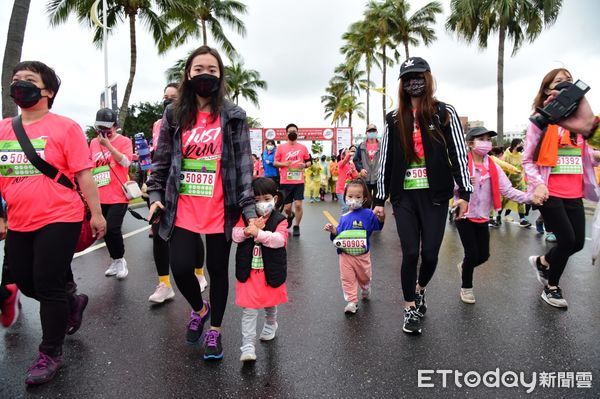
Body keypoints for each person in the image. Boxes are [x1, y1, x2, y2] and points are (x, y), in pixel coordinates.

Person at [147, 46, 256, 360]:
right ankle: (199, 308)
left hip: (221, 208)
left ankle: (216, 332)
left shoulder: (234, 116)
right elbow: (161, 161)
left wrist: (248, 213)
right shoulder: (174, 114)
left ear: (220, 74)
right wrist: (155, 197)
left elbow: (244, 168)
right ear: (188, 74)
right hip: (181, 207)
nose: (205, 74)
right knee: (181, 268)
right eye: (198, 69)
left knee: (218, 270)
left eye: (212, 69)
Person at [0, 61, 106, 384]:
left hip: (61, 216)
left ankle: (50, 352)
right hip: (19, 218)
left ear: (48, 91)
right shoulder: (4, 128)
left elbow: (84, 175)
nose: (20, 85)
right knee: (26, 280)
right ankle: (71, 302)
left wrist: (98, 213)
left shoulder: (66, 127)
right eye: (16, 80)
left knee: (46, 283)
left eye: (29, 81)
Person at [373, 57, 472, 335]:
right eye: (407, 78)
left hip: (436, 196)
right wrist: (379, 200)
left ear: (428, 78)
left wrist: (464, 193)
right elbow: (386, 160)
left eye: (418, 76)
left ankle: (420, 289)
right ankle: (409, 308)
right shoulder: (394, 118)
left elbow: (458, 153)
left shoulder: (444, 112)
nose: (413, 82)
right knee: (410, 253)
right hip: (404, 197)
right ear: (402, 84)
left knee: (429, 254)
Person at [523, 68, 600, 308]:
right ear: (547, 90)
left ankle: (542, 262)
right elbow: (527, 160)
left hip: (575, 192)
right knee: (566, 239)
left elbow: (584, 155)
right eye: (559, 81)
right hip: (549, 192)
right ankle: (551, 287)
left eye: (569, 80)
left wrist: (596, 153)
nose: (566, 84)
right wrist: (538, 185)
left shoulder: (581, 123)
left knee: (577, 243)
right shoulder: (540, 122)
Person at [456, 127, 536, 303]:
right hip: (464, 214)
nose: (486, 142)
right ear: (470, 143)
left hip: (483, 215)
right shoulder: (461, 164)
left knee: (483, 255)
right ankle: (466, 288)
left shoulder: (492, 166)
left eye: (488, 139)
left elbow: (507, 190)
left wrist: (530, 198)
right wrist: (461, 183)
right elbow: (446, 187)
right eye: (481, 139)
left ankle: (465, 267)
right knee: (471, 254)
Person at [147, 85, 207, 304]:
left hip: (185, 185)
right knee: (158, 232)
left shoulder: (193, 120)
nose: (168, 101)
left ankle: (199, 274)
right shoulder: (157, 124)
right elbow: (156, 155)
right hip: (160, 184)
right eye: (165, 97)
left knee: (192, 233)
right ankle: (164, 284)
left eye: (174, 97)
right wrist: (150, 183)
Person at [233, 177, 288, 362]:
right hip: (248, 272)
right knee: (249, 309)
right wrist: (247, 231)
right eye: (256, 200)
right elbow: (235, 235)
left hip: (269, 270)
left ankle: (271, 323)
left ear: (275, 198)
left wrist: (260, 234)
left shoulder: (280, 219)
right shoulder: (245, 217)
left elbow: (280, 240)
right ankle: (247, 345)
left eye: (266, 199)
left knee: (270, 300)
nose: (261, 204)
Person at [324, 179, 383, 314]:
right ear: (345, 197)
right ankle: (352, 301)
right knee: (347, 278)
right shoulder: (344, 217)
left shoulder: (368, 214)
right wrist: (333, 231)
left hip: (362, 255)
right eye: (350, 196)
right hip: (345, 255)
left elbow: (378, 226)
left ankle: (365, 287)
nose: (353, 200)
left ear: (364, 198)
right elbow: (339, 235)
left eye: (358, 197)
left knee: (364, 276)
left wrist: (381, 218)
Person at [89, 108, 133, 279]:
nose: (104, 131)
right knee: (104, 230)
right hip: (100, 195)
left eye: (108, 128)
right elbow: (90, 167)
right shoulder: (93, 143)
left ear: (115, 125)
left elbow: (126, 161)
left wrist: (108, 145)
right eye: (100, 127)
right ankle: (115, 260)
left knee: (113, 228)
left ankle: (121, 259)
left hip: (118, 194)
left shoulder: (124, 141)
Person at [274, 123, 311, 236]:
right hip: (285, 182)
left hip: (299, 181)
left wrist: (304, 165)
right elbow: (275, 163)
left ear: (297, 132)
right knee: (287, 208)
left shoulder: (303, 148)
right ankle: (290, 216)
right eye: (290, 131)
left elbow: (309, 162)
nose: (292, 133)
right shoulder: (281, 147)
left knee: (298, 205)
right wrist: (284, 163)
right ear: (286, 133)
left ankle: (296, 226)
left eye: (294, 131)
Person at [501, 139, 532, 227]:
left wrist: (526, 179)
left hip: (519, 181)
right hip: (508, 182)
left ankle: (522, 219)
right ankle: (499, 216)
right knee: (504, 200)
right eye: (520, 144)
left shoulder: (520, 156)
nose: (521, 146)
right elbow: (503, 168)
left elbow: (523, 168)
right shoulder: (506, 155)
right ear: (515, 145)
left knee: (521, 199)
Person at [354, 123, 381, 205]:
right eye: (370, 131)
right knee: (366, 203)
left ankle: (375, 218)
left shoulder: (382, 145)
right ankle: (367, 217)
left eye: (373, 131)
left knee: (378, 203)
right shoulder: (361, 146)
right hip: (365, 178)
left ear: (377, 132)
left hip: (378, 178)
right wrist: (361, 169)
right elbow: (356, 159)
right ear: (366, 133)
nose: (372, 133)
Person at [336, 146, 359, 213]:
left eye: (349, 151)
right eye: (347, 151)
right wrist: (349, 155)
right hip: (340, 190)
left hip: (349, 190)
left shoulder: (351, 164)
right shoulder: (340, 163)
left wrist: (353, 169)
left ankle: (347, 222)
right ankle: (342, 222)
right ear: (343, 155)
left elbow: (356, 176)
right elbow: (345, 160)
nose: (349, 152)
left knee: (351, 208)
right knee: (346, 207)